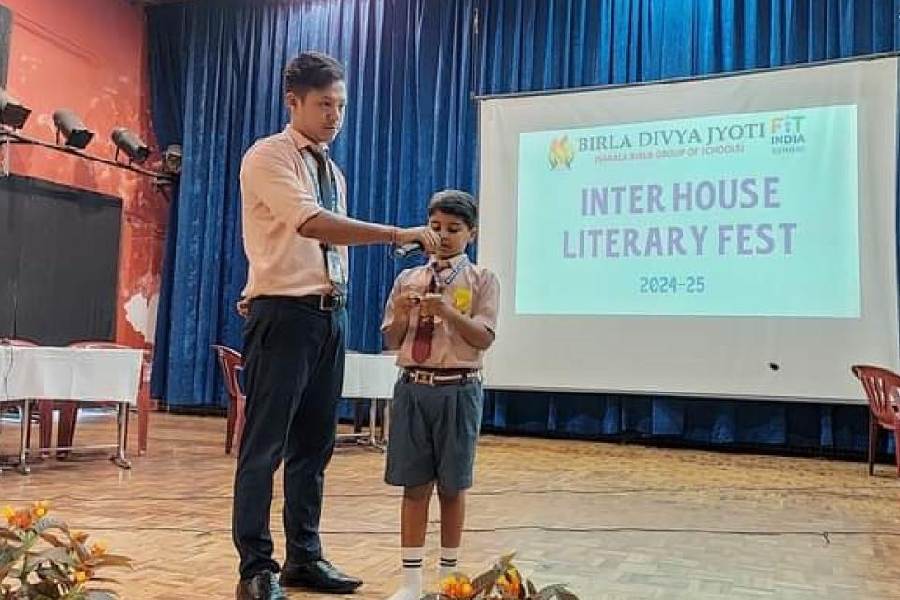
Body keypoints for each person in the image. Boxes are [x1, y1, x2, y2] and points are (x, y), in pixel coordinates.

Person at [233, 51, 440, 600]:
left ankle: (304, 557)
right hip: (284, 315)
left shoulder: (331, 169)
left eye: (342, 105)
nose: (336, 116)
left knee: (314, 446)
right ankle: (255, 566)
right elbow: (309, 223)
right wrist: (398, 234)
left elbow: (312, 246)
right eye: (325, 104)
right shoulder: (268, 156)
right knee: (265, 448)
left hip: (329, 316)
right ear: (292, 101)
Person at [380, 190, 500, 600]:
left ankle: (450, 580)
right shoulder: (407, 279)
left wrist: (447, 311)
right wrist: (400, 311)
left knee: (452, 486)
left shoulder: (481, 279)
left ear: (471, 233)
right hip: (413, 387)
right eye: (435, 228)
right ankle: (411, 581)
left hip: (458, 389)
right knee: (413, 487)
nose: (443, 236)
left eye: (453, 229)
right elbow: (392, 341)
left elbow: (483, 338)